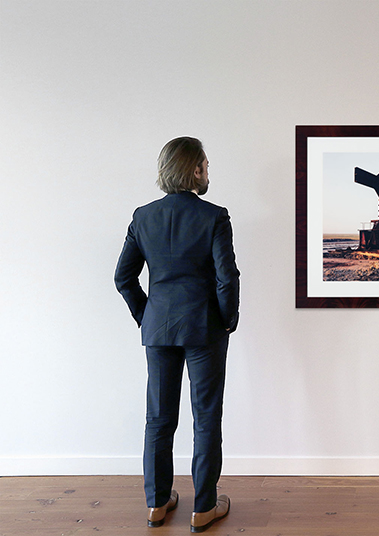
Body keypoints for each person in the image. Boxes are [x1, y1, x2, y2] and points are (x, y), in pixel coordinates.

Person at [115, 137, 240, 532]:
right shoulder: (214, 216)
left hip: (159, 328)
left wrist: (146, 316)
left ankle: (157, 503)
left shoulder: (143, 216)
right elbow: (227, 278)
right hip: (204, 329)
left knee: (158, 417)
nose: (209, 171)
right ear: (195, 169)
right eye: (206, 164)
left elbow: (123, 277)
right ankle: (203, 507)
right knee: (205, 418)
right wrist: (227, 320)